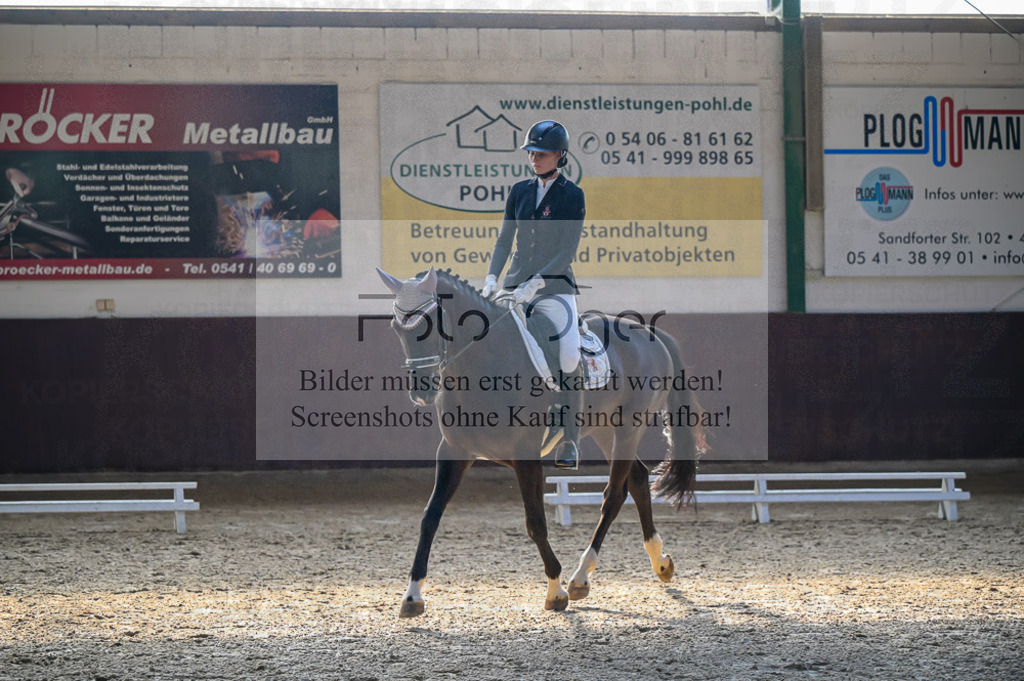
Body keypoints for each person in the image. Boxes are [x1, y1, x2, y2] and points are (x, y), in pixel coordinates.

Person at [482, 120, 586, 470]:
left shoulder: (573, 195)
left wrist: (537, 284)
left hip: (554, 288)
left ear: (560, 155)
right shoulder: (519, 191)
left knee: (569, 355)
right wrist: (492, 278)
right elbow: (504, 239)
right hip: (513, 285)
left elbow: (566, 252)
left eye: (541, 154)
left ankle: (570, 438)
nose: (535, 159)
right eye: (531, 153)